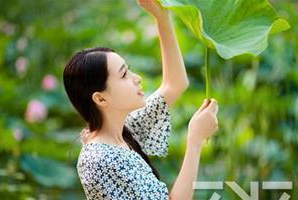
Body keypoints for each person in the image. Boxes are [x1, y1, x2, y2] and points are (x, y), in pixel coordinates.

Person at [62, 0, 219, 199]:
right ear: (101, 99)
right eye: (124, 75)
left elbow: (175, 84)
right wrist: (195, 140)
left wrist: (162, 18)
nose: (137, 78)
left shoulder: (125, 129)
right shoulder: (99, 160)